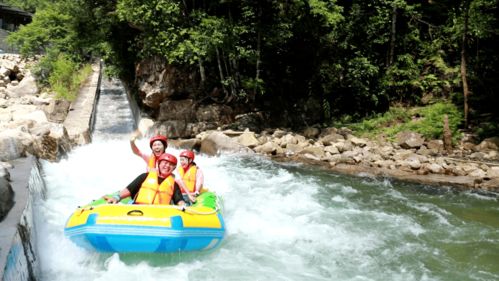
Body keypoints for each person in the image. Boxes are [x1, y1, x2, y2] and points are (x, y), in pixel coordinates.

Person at [106, 153, 186, 206]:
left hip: (160, 214)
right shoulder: (144, 176)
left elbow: (179, 200)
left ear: (174, 168)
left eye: (171, 165)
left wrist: (183, 205)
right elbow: (129, 190)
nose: (167, 166)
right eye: (165, 163)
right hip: (139, 209)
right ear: (159, 164)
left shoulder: (174, 185)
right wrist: (117, 197)